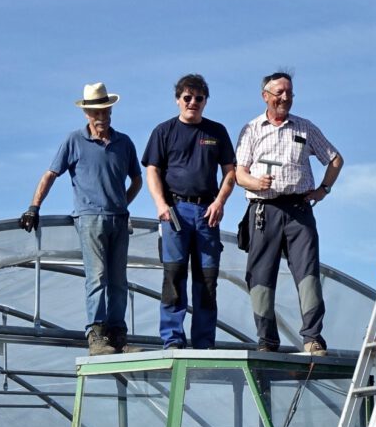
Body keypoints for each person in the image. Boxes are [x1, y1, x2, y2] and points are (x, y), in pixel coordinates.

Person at [20, 83, 142, 356]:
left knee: (118, 279)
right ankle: (96, 336)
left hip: (118, 219)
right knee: (97, 276)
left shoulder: (124, 142)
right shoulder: (74, 141)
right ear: (87, 114)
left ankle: (118, 336)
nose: (101, 116)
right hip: (89, 218)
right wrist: (33, 207)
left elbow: (137, 180)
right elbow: (51, 173)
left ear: (111, 110)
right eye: (96, 112)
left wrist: (122, 202)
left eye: (105, 110)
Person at [234, 72, 343, 355]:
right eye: (280, 92)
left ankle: (312, 337)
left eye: (290, 93)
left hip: (298, 210)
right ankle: (267, 340)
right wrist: (255, 183)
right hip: (263, 209)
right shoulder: (252, 129)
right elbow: (239, 173)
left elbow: (335, 159)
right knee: (260, 275)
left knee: (307, 272)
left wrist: (323, 190)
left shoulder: (305, 128)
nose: (286, 98)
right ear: (265, 96)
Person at [142, 74, 237, 350]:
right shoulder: (164, 131)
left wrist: (220, 202)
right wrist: (160, 203)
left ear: (206, 101)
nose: (192, 102)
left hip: (207, 212)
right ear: (178, 100)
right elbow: (152, 170)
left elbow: (230, 172)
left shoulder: (216, 132)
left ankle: (205, 343)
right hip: (175, 212)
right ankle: (172, 339)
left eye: (199, 98)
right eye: (187, 97)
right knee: (174, 276)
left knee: (207, 281)